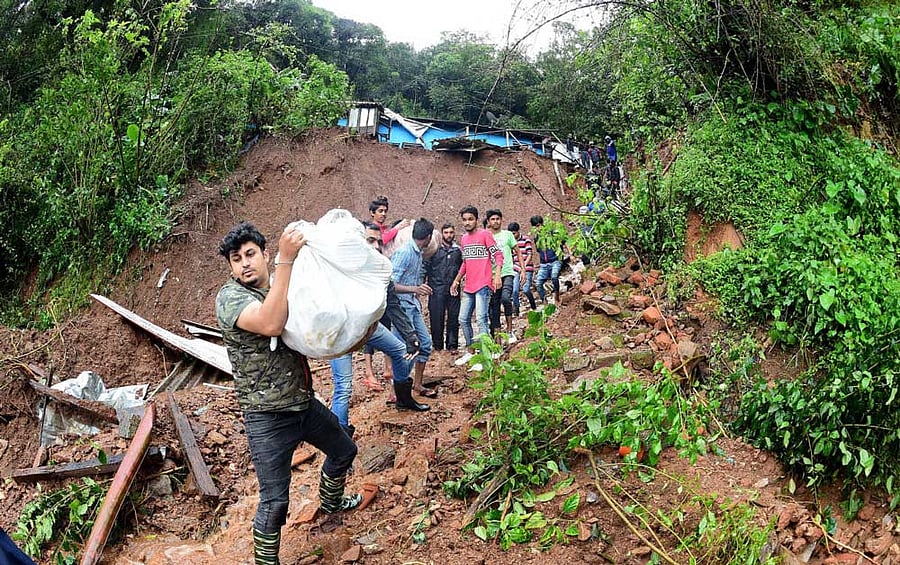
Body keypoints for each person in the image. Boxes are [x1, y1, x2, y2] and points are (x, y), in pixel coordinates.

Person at [215, 222, 361, 564]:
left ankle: (332, 501)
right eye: (236, 259)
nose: (244, 263)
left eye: (250, 254)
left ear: (262, 254)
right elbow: (270, 324)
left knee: (344, 450)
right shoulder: (231, 297)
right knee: (275, 501)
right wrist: (286, 260)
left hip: (303, 404)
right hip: (266, 417)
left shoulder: (281, 286)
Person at [328, 222, 429, 423]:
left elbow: (393, 304)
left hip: (370, 327)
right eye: (370, 240)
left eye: (379, 242)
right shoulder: (339, 268)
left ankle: (403, 398)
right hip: (341, 331)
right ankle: (341, 434)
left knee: (401, 353)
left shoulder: (379, 270)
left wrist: (410, 336)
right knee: (344, 386)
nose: (376, 246)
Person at [364, 195, 409, 387]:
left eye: (385, 211)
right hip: (369, 285)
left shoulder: (382, 231)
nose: (383, 214)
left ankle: (388, 368)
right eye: (380, 211)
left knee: (385, 325)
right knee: (368, 330)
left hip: (382, 284)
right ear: (372, 213)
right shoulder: (370, 232)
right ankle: (368, 371)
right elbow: (384, 238)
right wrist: (398, 228)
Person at [450, 206, 503, 366]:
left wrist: (497, 275)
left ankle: (486, 354)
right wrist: (457, 280)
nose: (467, 222)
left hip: (484, 283)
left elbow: (498, 255)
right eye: (464, 220)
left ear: (476, 219)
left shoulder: (485, 234)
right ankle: (471, 350)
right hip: (469, 285)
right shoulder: (464, 239)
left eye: (470, 219)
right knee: (463, 318)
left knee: (481, 319)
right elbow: (466, 262)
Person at [390, 218, 436, 398]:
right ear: (429, 237)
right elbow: (390, 285)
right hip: (401, 309)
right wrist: (414, 289)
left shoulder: (418, 253)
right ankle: (397, 390)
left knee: (425, 344)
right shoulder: (405, 253)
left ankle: (417, 384)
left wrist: (418, 290)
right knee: (403, 349)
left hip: (413, 306)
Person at [484, 209, 524, 341]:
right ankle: (497, 338)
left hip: (507, 272)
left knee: (506, 298)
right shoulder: (486, 236)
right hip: (492, 275)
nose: (495, 221)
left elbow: (517, 251)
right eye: (493, 219)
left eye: (497, 219)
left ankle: (510, 330)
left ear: (501, 220)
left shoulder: (508, 235)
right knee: (494, 305)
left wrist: (523, 269)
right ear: (489, 222)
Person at [424, 223, 462, 353]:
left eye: (451, 232)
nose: (449, 235)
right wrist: (422, 283)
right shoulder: (434, 249)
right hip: (436, 288)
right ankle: (437, 345)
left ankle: (452, 345)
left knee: (453, 317)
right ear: (442, 234)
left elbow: (463, 268)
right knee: (436, 317)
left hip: (453, 288)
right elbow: (425, 266)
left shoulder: (458, 250)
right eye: (446, 233)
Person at [531, 215, 566, 306]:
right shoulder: (537, 238)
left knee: (554, 277)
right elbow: (538, 250)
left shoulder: (552, 233)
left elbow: (563, 242)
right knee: (538, 283)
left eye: (539, 225)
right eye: (535, 226)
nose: (538, 228)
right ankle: (545, 303)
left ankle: (557, 297)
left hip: (555, 260)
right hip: (544, 263)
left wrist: (568, 254)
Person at [509, 222, 536, 315]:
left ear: (518, 232)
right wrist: (518, 268)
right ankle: (516, 309)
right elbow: (511, 258)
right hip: (516, 269)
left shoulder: (526, 240)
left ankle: (533, 305)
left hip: (527, 267)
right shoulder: (510, 242)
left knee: (526, 289)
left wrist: (523, 266)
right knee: (515, 290)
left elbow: (529, 254)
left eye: (514, 233)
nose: (513, 235)